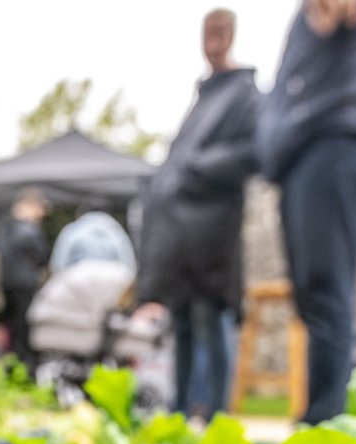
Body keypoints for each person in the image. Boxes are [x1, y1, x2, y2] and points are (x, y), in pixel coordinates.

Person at [258, 0, 356, 424]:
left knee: (328, 288)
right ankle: (323, 414)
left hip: (335, 140)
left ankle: (326, 421)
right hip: (301, 150)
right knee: (313, 294)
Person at [135, 8, 262, 420]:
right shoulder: (204, 96)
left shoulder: (244, 94)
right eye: (207, 34)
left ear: (232, 36)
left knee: (212, 321)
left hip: (212, 237)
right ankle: (181, 412)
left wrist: (195, 169)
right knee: (185, 324)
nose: (212, 43)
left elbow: (251, 154)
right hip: (179, 238)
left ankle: (216, 416)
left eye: (220, 34)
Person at [0, 187, 50, 372]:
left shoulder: (2, 227)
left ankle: (11, 368)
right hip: (25, 287)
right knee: (25, 331)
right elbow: (42, 256)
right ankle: (26, 371)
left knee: (11, 330)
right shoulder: (29, 230)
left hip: (6, 284)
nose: (41, 214)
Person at [50, 202, 136, 274]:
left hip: (77, 283)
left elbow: (58, 263)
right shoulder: (117, 232)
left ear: (80, 213)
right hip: (111, 285)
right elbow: (129, 265)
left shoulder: (72, 231)